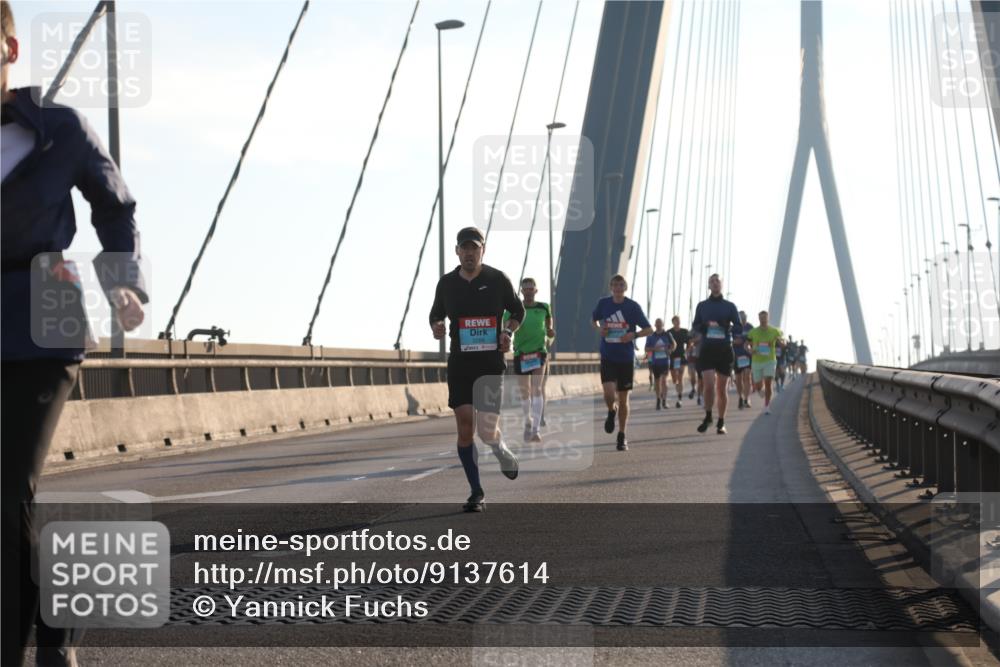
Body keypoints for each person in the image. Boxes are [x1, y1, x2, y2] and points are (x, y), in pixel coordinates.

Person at [2, 2, 149, 664]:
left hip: (43, 316)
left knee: (6, 490)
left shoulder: (58, 127)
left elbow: (113, 204)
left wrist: (123, 282)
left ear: (8, 51)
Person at [430, 227, 523, 513]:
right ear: (457, 252)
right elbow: (435, 314)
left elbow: (517, 311)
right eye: (464, 248)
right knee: (466, 424)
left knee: (486, 431)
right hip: (460, 362)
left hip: (489, 364)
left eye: (475, 248)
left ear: (483, 250)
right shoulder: (446, 283)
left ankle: (500, 449)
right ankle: (476, 491)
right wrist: (436, 327)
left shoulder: (497, 279)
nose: (470, 253)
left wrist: (507, 331)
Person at [592, 274, 653, 451]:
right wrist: (599, 329)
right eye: (615, 285)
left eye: (621, 285)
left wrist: (633, 335)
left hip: (626, 358)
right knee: (609, 393)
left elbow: (648, 329)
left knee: (624, 398)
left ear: (625, 287)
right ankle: (612, 410)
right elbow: (593, 320)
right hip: (608, 356)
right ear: (611, 287)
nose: (618, 288)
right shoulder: (603, 304)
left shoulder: (632, 307)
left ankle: (622, 435)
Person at [503, 277, 553, 442]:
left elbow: (549, 325)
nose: (529, 291)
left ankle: (536, 430)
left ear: (536, 290)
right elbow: (506, 326)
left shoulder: (544, 307)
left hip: (539, 352)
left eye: (531, 288)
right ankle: (528, 421)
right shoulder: (513, 309)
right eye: (525, 289)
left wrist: (550, 332)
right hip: (521, 353)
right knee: (525, 391)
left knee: (536, 389)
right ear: (521, 291)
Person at [691, 274, 741, 435]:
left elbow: (739, 326)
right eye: (712, 281)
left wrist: (728, 327)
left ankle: (721, 422)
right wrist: (704, 327)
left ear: (721, 285)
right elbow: (695, 325)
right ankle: (708, 416)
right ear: (709, 286)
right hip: (707, 350)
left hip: (724, 350)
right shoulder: (702, 306)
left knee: (721, 389)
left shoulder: (730, 306)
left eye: (717, 281)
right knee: (708, 385)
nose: (715, 283)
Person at [746, 310, 784, 414]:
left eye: (765, 318)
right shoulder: (753, 332)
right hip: (757, 361)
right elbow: (747, 344)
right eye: (761, 318)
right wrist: (750, 350)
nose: (763, 320)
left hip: (770, 360)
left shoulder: (775, 331)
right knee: (758, 386)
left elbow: (783, 341)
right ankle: (760, 389)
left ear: (768, 318)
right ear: (759, 319)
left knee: (768, 382)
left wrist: (781, 342)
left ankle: (767, 406)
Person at [644, 318, 676, 410]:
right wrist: (655, 349)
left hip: (665, 361)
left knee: (664, 381)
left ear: (663, 324)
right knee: (657, 382)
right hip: (655, 362)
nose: (658, 325)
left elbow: (674, 344)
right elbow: (646, 349)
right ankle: (658, 400)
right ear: (654, 325)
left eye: (660, 323)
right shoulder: (651, 336)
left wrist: (670, 350)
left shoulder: (667, 335)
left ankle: (664, 400)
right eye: (657, 323)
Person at [668, 315, 690, 408]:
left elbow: (689, 342)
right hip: (672, 357)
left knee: (680, 377)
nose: (677, 322)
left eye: (679, 320)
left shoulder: (684, 331)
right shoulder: (669, 332)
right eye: (675, 321)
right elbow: (666, 343)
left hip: (681, 356)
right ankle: (678, 390)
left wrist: (687, 351)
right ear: (673, 322)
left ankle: (679, 398)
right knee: (674, 379)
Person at [732, 310, 752, 409]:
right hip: (737, 356)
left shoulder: (750, 327)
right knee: (739, 379)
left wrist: (746, 342)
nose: (743, 319)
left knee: (747, 377)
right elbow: (729, 340)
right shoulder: (733, 328)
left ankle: (747, 399)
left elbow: (754, 339)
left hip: (748, 356)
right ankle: (740, 397)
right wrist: (734, 341)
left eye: (744, 318)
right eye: (741, 318)